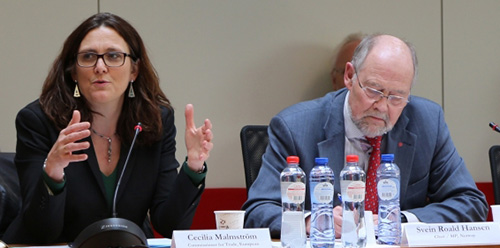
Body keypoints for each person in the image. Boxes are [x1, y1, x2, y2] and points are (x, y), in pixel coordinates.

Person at [242, 33, 488, 239]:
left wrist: (400, 220)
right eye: (374, 90)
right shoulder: (295, 127)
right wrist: (309, 222)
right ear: (349, 76)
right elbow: (258, 210)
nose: (382, 106)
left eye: (396, 97)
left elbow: (470, 202)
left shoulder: (427, 122)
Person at [3, 12, 213, 244]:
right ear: (73, 71)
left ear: (134, 70)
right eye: (89, 56)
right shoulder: (38, 121)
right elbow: (42, 232)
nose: (100, 67)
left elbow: (169, 224)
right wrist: (52, 172)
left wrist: (193, 168)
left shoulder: (155, 121)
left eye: (114, 56)